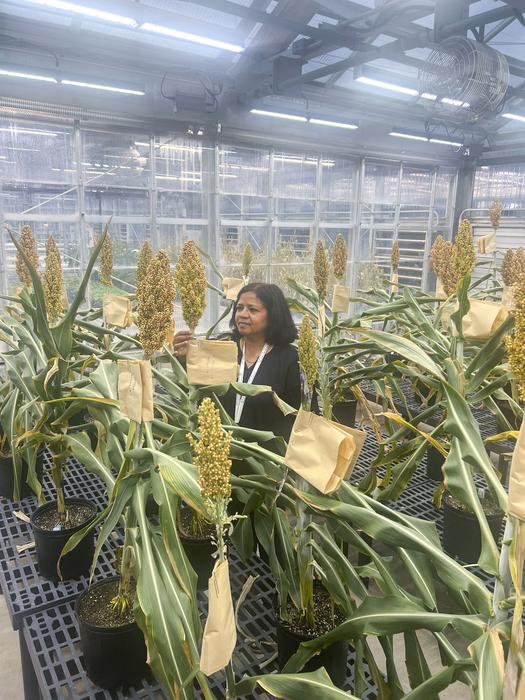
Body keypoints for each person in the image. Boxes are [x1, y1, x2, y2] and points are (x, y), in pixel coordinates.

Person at [173, 282, 301, 440]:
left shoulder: (291, 359)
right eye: (239, 308)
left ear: (273, 315)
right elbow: (195, 391)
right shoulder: (221, 348)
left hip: (269, 457)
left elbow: (301, 416)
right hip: (219, 453)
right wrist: (185, 359)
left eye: (252, 309)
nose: (243, 314)